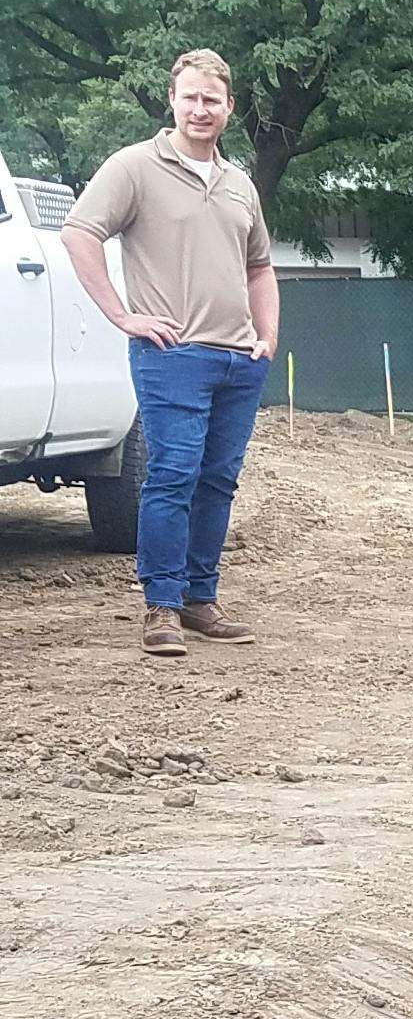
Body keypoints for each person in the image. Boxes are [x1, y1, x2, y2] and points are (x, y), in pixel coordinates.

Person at [60, 48, 278, 658]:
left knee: (218, 482)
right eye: (190, 97)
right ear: (173, 101)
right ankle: (161, 605)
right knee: (173, 476)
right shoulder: (134, 167)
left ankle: (200, 600)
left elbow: (259, 266)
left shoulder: (240, 186)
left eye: (212, 99)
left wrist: (267, 337)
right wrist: (121, 314)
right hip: (172, 355)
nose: (200, 109)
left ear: (229, 108)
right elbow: (80, 232)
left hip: (239, 363)